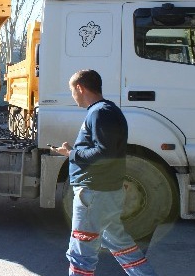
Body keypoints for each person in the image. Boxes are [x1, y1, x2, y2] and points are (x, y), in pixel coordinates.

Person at [52, 69, 157, 276]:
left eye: (72, 91)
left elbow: (103, 151)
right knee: (120, 245)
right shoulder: (108, 110)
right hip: (105, 192)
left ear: (80, 88)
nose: (73, 96)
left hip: (93, 194)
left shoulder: (99, 112)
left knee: (81, 253)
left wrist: (72, 154)